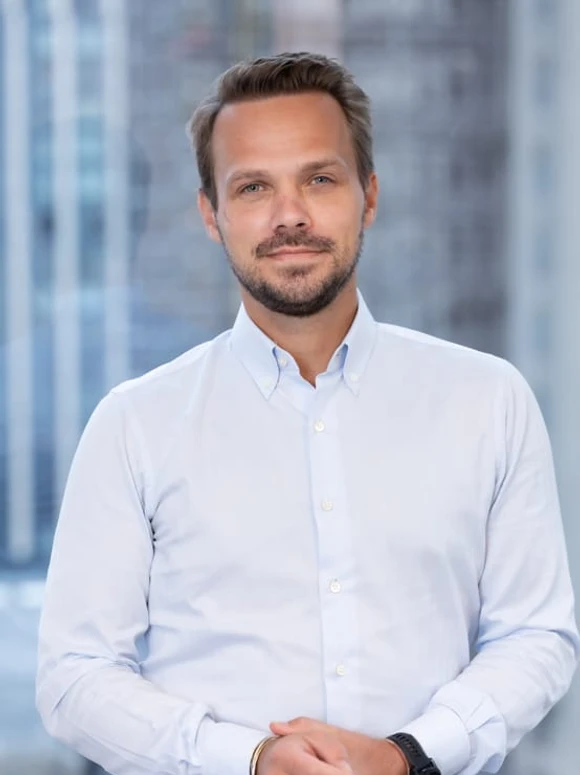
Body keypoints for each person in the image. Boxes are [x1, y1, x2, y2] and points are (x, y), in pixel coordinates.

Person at [37, 52, 579, 775]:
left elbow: (536, 637)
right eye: (253, 186)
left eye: (319, 179)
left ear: (369, 195)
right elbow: (74, 677)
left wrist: (407, 757)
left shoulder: (489, 401)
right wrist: (250, 759)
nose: (289, 215)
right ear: (211, 214)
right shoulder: (134, 426)